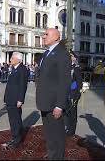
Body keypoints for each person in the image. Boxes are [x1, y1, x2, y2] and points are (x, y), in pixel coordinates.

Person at [35, 28, 71, 159]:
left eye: (46, 34)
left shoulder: (62, 54)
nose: (43, 36)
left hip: (54, 103)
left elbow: (65, 81)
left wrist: (59, 105)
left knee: (57, 135)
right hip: (45, 101)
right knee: (49, 134)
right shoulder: (46, 54)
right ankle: (52, 154)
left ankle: (58, 157)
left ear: (56, 37)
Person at [1, 52, 28, 149]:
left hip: (15, 100)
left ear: (18, 60)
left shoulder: (22, 69)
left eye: (12, 58)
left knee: (14, 120)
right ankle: (17, 136)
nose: (10, 60)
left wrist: (20, 100)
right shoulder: (14, 69)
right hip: (10, 98)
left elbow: (22, 85)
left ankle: (15, 141)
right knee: (14, 120)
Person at [64, 50, 82, 136]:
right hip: (66, 93)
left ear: (74, 58)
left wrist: (77, 94)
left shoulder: (76, 68)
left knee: (73, 113)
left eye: (71, 56)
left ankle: (72, 131)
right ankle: (68, 127)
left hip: (73, 93)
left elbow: (79, 82)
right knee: (67, 112)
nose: (69, 57)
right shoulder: (67, 67)